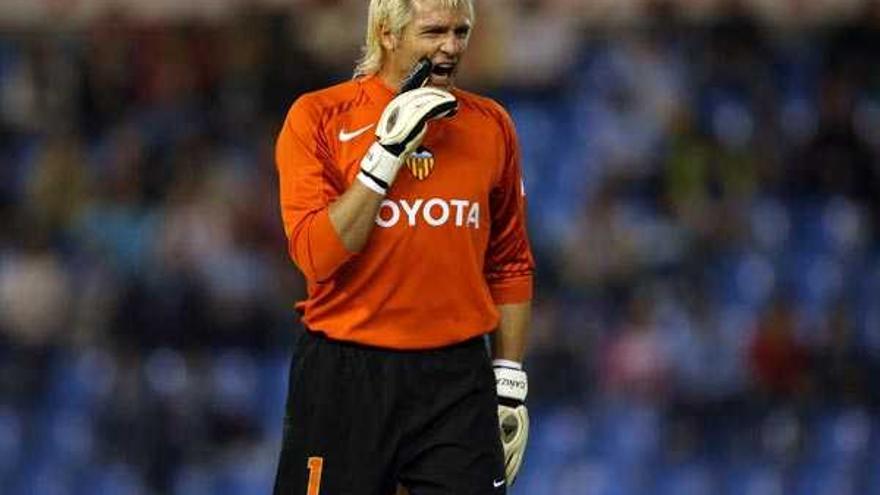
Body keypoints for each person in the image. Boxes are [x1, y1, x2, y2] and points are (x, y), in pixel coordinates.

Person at [272, 0, 534, 493]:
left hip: (456, 376)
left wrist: (509, 379)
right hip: (347, 373)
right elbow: (316, 256)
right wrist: (383, 158)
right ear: (388, 33)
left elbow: (510, 262)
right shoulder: (319, 117)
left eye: (461, 31)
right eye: (434, 31)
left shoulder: (491, 124)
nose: (451, 47)